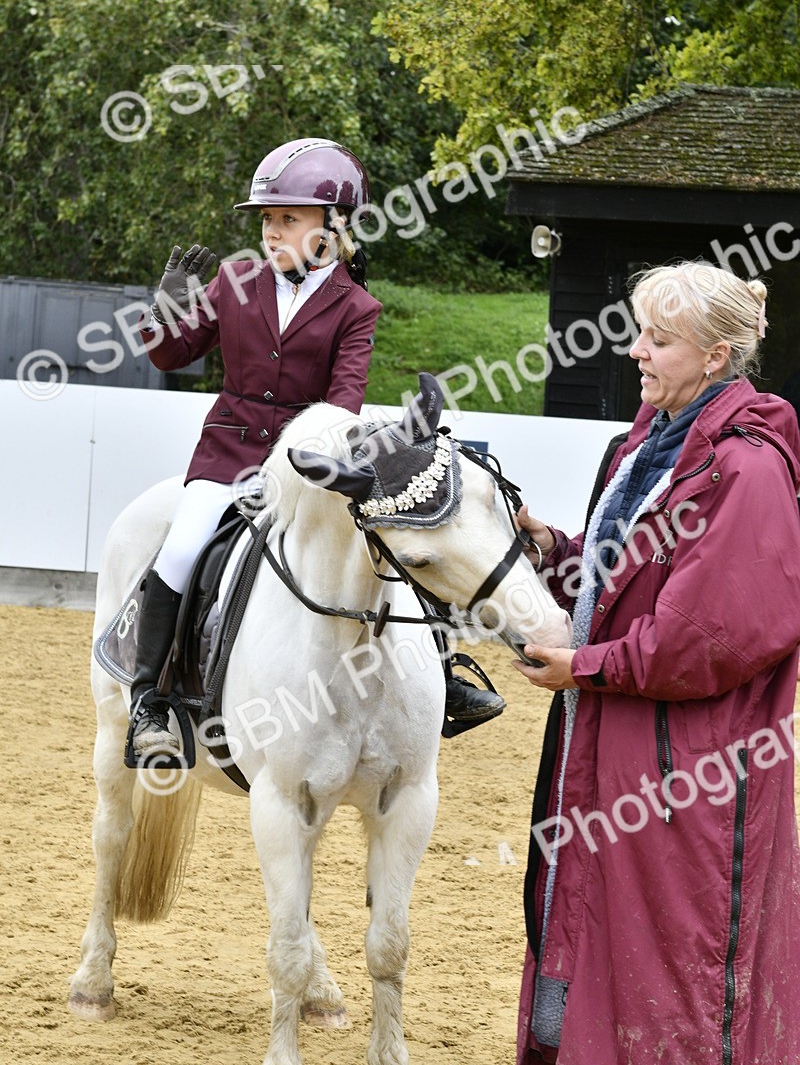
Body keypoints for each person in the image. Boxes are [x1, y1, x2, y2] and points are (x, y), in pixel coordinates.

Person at [128, 137, 502, 762]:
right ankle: (150, 702)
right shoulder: (234, 280)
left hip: (305, 465)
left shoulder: (358, 307)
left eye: (287, 220)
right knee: (185, 546)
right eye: (269, 220)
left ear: (332, 228)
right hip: (228, 456)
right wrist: (167, 302)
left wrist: (314, 458)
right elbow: (169, 355)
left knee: (389, 540)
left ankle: (440, 669)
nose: (272, 233)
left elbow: (342, 403)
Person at [512, 261, 800, 1065]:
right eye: (640, 332)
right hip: (609, 742)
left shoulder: (747, 469)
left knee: (681, 975)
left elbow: (705, 636)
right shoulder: (642, 443)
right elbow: (621, 581)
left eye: (658, 339)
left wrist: (586, 667)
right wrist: (550, 549)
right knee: (589, 937)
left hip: (688, 773)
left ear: (714, 357)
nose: (635, 351)